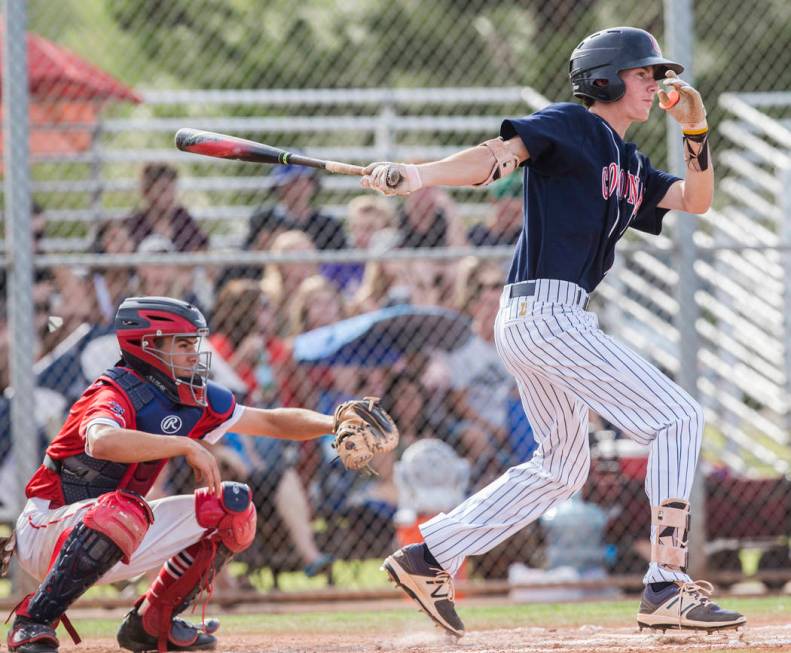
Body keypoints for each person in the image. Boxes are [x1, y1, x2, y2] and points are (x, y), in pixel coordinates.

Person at [361, 26, 744, 636]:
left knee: (562, 467)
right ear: (607, 79)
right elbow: (497, 156)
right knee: (679, 418)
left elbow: (696, 199)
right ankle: (667, 583)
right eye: (643, 74)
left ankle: (430, 556)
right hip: (547, 315)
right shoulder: (572, 123)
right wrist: (419, 174)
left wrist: (695, 129)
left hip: (543, 318)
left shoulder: (626, 159)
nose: (655, 84)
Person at [4, 296, 353, 653]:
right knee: (122, 510)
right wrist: (183, 446)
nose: (194, 352)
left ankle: (152, 622)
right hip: (48, 528)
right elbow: (101, 441)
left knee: (233, 507)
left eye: (194, 342)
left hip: (119, 526)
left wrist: (335, 422)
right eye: (182, 343)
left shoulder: (190, 395)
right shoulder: (114, 391)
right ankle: (33, 621)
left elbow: (270, 420)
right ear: (146, 345)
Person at [124, 163, 209, 252]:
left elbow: (201, 250)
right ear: (146, 192)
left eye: (173, 190)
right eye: (163, 190)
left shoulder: (182, 218)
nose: (170, 196)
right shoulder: (135, 224)